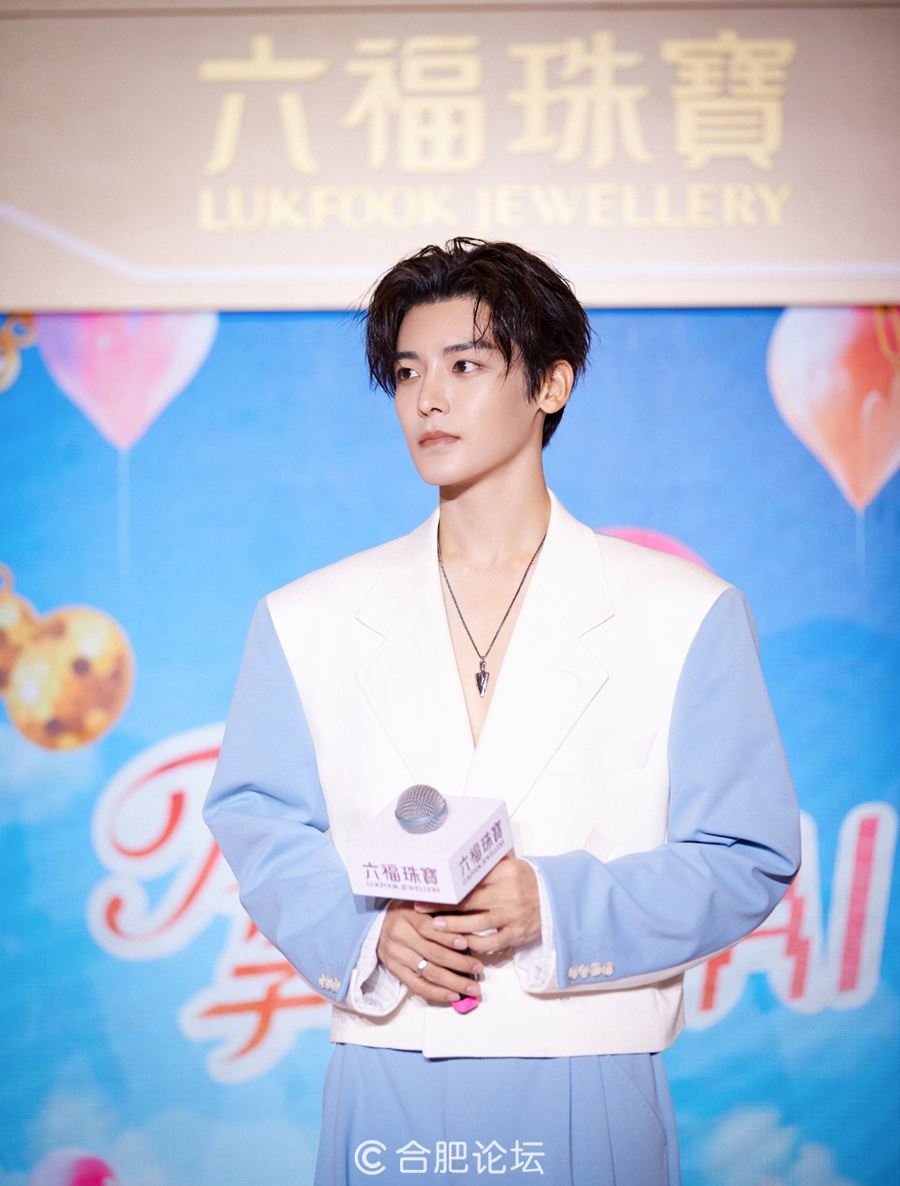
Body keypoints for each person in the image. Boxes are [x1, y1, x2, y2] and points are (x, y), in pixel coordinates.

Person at [204, 238, 800, 1185]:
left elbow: (745, 851)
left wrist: (553, 907)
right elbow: (258, 820)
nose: (428, 400)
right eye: (408, 373)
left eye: (465, 366)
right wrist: (366, 934)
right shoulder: (304, 617)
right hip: (387, 1067)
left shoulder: (684, 612)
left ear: (551, 384)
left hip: (585, 1068)